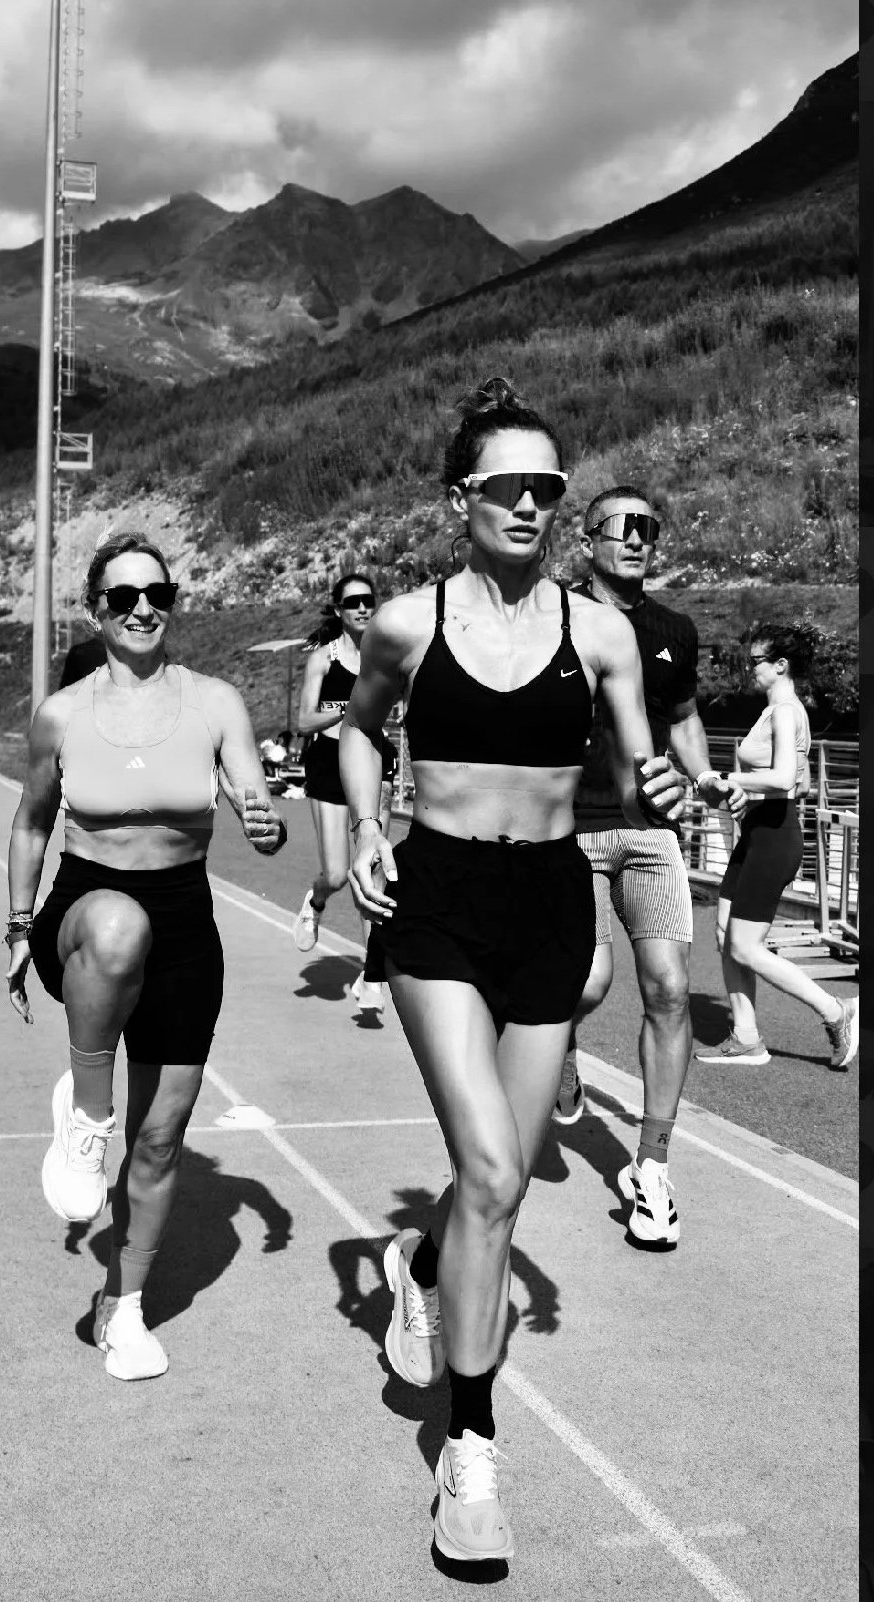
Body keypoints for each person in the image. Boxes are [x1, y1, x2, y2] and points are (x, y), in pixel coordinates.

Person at [342, 379, 685, 1564]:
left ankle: (421, 1262)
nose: (535, 503)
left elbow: (642, 769)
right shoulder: (405, 622)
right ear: (462, 498)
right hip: (436, 900)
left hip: (549, 904)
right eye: (511, 485)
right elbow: (353, 726)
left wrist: (671, 788)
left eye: (551, 485)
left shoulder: (600, 634)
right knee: (489, 1164)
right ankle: (471, 1451)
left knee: (500, 1192)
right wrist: (362, 829)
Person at [5, 534, 287, 1382]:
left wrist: (262, 817)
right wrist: (19, 928)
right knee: (120, 924)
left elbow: (251, 792)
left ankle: (122, 1308)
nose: (141, 607)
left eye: (156, 592)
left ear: (172, 601)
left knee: (161, 1138)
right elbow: (30, 823)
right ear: (96, 607)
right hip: (85, 916)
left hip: (185, 923)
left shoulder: (214, 703)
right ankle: (88, 1114)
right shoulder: (62, 713)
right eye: (122, 595)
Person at [548, 485, 742, 1249]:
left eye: (648, 528)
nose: (636, 539)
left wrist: (705, 778)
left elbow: (685, 715)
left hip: (653, 833)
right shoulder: (554, 615)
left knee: (669, 990)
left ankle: (652, 1169)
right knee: (588, 983)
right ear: (588, 537)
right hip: (571, 832)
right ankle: (555, 1048)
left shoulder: (673, 629)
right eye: (621, 527)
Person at [695, 621, 858, 1069]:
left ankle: (836, 1010)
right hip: (759, 830)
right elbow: (799, 782)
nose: (750, 670)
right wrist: (747, 792)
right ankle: (745, 1037)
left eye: (755, 663)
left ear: (780, 665)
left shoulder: (785, 711)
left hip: (774, 837)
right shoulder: (779, 711)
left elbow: (785, 777)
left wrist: (724, 779)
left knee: (746, 946)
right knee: (726, 934)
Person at [292, 573, 399, 1018]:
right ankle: (315, 902)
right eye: (351, 602)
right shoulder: (324, 657)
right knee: (337, 875)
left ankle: (373, 977)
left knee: (374, 874)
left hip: (375, 763)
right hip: (328, 767)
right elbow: (304, 720)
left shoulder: (388, 654)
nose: (361, 608)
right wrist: (347, 711)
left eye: (367, 600)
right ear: (338, 610)